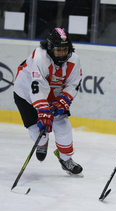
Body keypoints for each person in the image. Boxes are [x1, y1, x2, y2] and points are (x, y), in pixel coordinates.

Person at [13, 28, 83, 177]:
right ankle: (42, 143)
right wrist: (43, 111)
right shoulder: (39, 57)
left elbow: (74, 84)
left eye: (65, 49)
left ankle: (66, 159)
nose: (62, 53)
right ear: (50, 48)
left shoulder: (74, 60)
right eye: (58, 50)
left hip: (54, 95)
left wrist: (62, 102)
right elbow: (37, 88)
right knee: (39, 132)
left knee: (63, 128)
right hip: (25, 94)